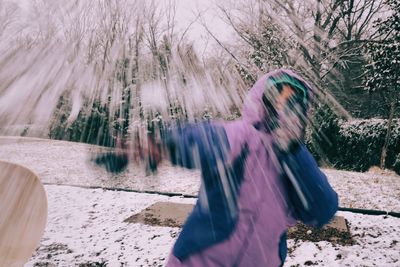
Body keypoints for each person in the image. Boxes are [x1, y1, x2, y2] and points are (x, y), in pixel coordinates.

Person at [95, 69, 338, 267]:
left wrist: (294, 152)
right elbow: (205, 139)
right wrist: (161, 146)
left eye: (295, 106)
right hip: (201, 259)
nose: (287, 114)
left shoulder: (296, 164)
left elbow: (322, 209)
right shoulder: (243, 137)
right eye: (279, 101)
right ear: (265, 104)